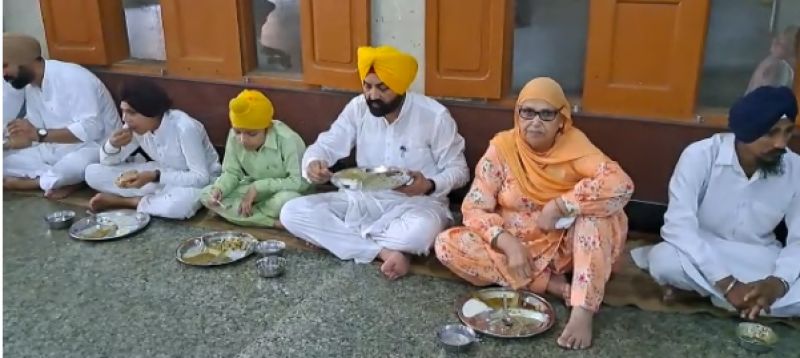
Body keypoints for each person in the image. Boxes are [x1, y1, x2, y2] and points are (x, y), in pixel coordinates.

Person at [434, 77, 634, 350]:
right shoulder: (503, 148)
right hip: (517, 249)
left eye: (546, 113)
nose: (535, 121)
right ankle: (548, 285)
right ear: (517, 114)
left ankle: (583, 309)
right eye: (527, 112)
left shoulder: (576, 147)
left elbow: (620, 185)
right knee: (447, 244)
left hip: (568, 246)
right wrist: (507, 242)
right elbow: (474, 207)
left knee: (598, 215)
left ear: (561, 119)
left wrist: (561, 205)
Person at [280, 45, 469, 280]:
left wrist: (429, 185)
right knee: (291, 212)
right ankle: (385, 252)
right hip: (363, 200)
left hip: (417, 204)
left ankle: (340, 239)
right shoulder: (358, 108)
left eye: (382, 88)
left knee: (420, 234)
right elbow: (327, 144)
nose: (372, 95)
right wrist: (314, 162)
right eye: (367, 86)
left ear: (400, 86)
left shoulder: (434, 116)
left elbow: (459, 170)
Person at [632, 86, 800, 319]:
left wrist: (777, 283)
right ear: (745, 132)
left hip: (759, 257)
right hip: (703, 249)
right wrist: (727, 284)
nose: (781, 144)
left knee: (793, 279)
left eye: (788, 132)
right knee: (664, 261)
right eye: (771, 133)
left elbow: (798, 241)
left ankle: (733, 298)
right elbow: (678, 226)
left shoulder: (795, 167)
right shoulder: (700, 156)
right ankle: (748, 303)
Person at [3, 33, 120, 199]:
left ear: (24, 60)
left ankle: (34, 182)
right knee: (4, 161)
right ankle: (59, 181)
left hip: (95, 146)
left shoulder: (72, 76)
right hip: (56, 147)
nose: (3, 74)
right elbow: (36, 130)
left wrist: (38, 135)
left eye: (5, 66)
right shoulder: (31, 87)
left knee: (70, 168)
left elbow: (92, 129)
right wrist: (11, 142)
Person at [84, 79, 221, 219]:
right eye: (123, 111)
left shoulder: (184, 128)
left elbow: (201, 177)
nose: (125, 119)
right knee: (92, 173)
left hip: (196, 181)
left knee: (178, 207)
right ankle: (155, 199)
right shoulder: (134, 128)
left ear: (150, 111)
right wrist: (112, 146)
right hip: (162, 174)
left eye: (131, 112)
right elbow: (108, 163)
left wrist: (154, 176)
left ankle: (127, 201)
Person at [201, 89, 310, 228]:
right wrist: (220, 189)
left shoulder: (288, 139)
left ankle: (244, 215)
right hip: (253, 190)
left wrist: (258, 187)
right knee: (206, 194)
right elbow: (232, 172)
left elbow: (299, 182)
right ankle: (271, 222)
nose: (242, 140)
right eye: (237, 132)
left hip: (284, 192)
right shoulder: (235, 137)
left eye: (251, 134)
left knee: (287, 201)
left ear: (267, 128)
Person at [746, 26, 798, 93]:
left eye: (779, 43)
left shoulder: (780, 66)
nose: (774, 41)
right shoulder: (773, 63)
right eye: (777, 39)